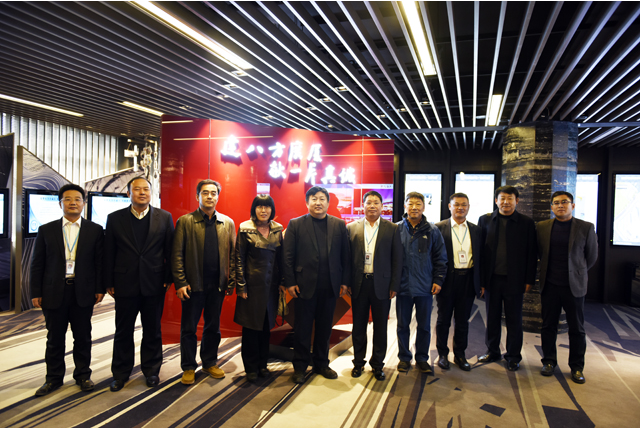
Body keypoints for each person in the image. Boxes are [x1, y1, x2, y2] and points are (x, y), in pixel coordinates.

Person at [30, 184, 104, 396]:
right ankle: (53, 378)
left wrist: (99, 288)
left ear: (84, 203)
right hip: (54, 291)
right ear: (60, 203)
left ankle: (83, 375)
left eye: (77, 199)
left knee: (83, 337)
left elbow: (99, 263)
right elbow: (37, 264)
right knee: (54, 338)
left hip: (83, 291)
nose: (73, 203)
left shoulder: (95, 230)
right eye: (68, 199)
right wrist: (35, 292)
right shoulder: (46, 230)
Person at [105, 176, 175, 392]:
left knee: (152, 330)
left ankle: (152, 371)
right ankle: (120, 373)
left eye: (146, 189)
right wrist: (109, 281)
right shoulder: (115, 218)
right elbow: (109, 252)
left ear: (151, 193)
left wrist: (168, 279)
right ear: (129, 193)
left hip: (154, 283)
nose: (142, 192)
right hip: (124, 283)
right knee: (123, 331)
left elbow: (170, 250)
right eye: (137, 189)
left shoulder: (164, 217)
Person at [283, 186, 350, 384]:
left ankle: (322, 364)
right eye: (314, 199)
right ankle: (300, 367)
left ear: (328, 203)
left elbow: (345, 256)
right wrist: (290, 282)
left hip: (330, 286)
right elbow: (287, 256)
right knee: (302, 329)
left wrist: (344, 281)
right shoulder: (296, 224)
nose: (318, 202)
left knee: (324, 328)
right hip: (303, 286)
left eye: (322, 199)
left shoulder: (338, 224)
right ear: (307, 202)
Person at [172, 179, 236, 385]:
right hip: (192, 285)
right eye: (205, 193)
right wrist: (180, 282)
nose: (210, 196)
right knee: (189, 328)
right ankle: (188, 367)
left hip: (217, 285)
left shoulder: (227, 223)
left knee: (213, 327)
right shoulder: (185, 221)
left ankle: (209, 362)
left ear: (218, 196)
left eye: (213, 193)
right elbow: (177, 255)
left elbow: (233, 255)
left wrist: (231, 282)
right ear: (197, 196)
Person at [537, 191, 598, 384]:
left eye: (564, 202)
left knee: (577, 329)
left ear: (572, 205)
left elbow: (591, 256)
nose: (560, 205)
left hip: (574, 286)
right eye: (556, 203)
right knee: (548, 326)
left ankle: (577, 367)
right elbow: (539, 253)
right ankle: (548, 362)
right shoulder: (542, 227)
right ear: (552, 207)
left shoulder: (585, 227)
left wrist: (577, 272)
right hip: (550, 285)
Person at [477, 186, 537, 371]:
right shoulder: (485, 220)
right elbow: (479, 253)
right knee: (492, 318)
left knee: (514, 320)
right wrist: (481, 281)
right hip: (491, 280)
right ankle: (492, 351)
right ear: (496, 201)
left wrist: (529, 279)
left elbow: (531, 253)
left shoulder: (526, 223)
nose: (505, 202)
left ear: (516, 201)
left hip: (515, 280)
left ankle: (513, 356)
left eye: (510, 198)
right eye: (502, 198)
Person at [347, 191, 402, 381]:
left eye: (376, 202)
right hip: (359, 283)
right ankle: (358, 363)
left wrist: (394, 284)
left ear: (382, 206)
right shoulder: (351, 228)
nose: (372, 206)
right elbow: (346, 259)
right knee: (358, 326)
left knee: (380, 327)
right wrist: (347, 282)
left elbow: (397, 259)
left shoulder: (392, 228)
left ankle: (378, 365)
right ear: (363, 206)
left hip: (382, 285)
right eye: (368, 202)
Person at [395, 192, 447, 374]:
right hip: (403, 287)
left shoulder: (432, 230)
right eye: (410, 204)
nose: (414, 207)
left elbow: (441, 257)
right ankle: (404, 358)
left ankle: (422, 358)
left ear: (424, 207)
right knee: (402, 325)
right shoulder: (396, 229)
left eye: (418, 204)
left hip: (425, 287)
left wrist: (438, 280)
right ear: (405, 206)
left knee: (424, 326)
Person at [234, 195, 284, 383]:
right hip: (251, 287)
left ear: (272, 210)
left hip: (271, 287)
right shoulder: (245, 228)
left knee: (266, 328)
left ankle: (263, 365)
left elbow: (281, 259)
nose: (263, 210)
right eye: (260, 207)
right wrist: (241, 285)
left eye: (267, 207)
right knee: (250, 328)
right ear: (254, 209)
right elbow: (238, 258)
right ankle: (251, 367)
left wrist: (283, 281)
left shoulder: (277, 229)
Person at [434, 193, 482, 371]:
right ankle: (442, 354)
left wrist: (481, 282)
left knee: (463, 321)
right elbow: (434, 257)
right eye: (456, 205)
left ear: (468, 207)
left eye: (464, 205)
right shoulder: (439, 228)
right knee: (443, 319)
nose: (460, 208)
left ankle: (460, 354)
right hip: (447, 279)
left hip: (468, 279)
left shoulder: (476, 230)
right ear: (449, 206)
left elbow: (482, 258)